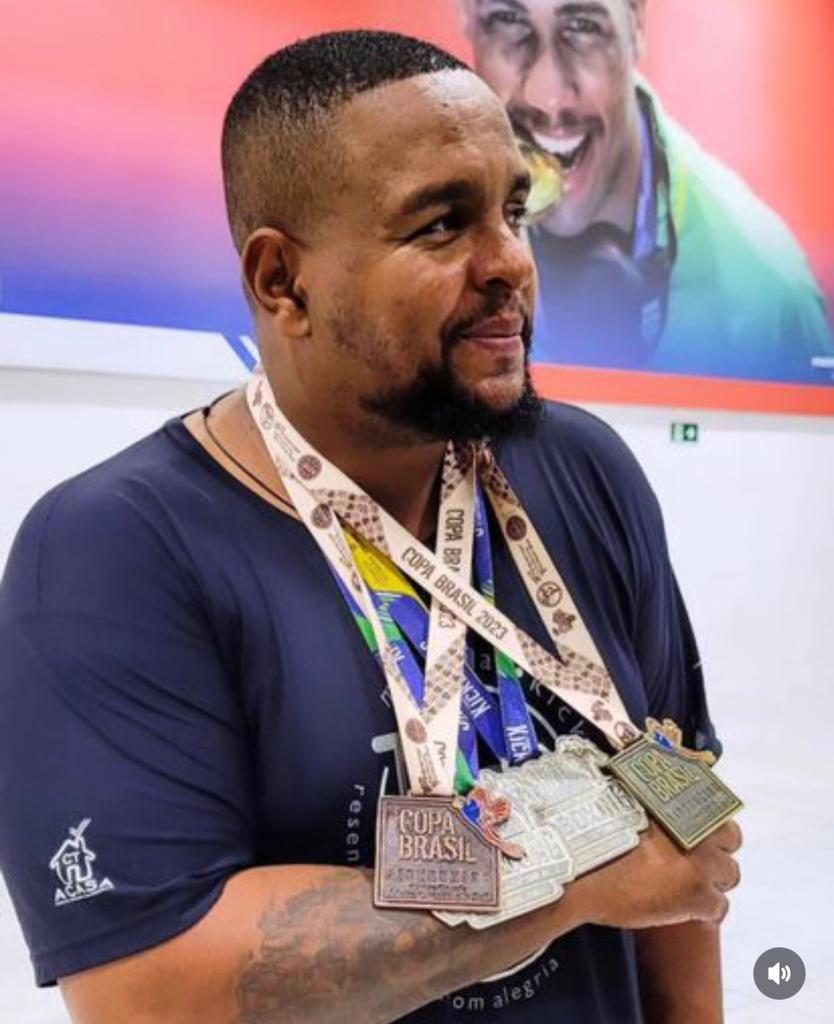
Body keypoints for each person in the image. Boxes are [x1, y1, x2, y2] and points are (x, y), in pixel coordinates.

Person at [0, 30, 741, 1024]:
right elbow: (148, 987)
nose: (510, 262)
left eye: (515, 210)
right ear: (282, 281)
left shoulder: (582, 468)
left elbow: (675, 823)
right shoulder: (113, 553)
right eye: (442, 225)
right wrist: (562, 878)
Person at [458, 0, 833, 382]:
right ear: (466, 15)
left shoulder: (771, 297)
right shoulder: (424, 237)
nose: (547, 98)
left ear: (636, 24)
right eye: (508, 20)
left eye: (583, 26)